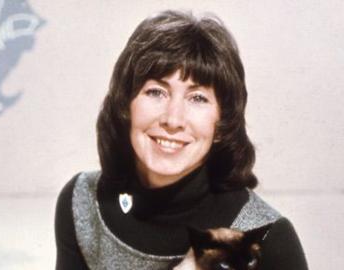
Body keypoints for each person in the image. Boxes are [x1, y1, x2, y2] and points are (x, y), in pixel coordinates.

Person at [54, 10, 308, 269]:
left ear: (222, 124)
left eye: (197, 98)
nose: (173, 119)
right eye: (156, 92)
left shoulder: (266, 238)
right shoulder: (83, 202)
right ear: (125, 106)